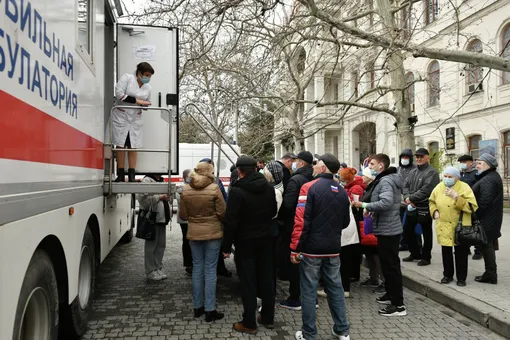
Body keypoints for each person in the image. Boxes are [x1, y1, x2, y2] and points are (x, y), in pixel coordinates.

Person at [291, 153, 351, 340]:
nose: (314, 166)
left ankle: (309, 333)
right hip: (333, 247)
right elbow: (345, 221)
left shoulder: (308, 187)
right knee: (335, 288)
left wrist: (295, 247)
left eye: (317, 164)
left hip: (311, 249)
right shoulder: (341, 190)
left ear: (323, 167)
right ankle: (342, 330)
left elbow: (301, 221)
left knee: (308, 291)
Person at [222, 156, 277, 334]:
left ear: (240, 171)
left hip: (245, 241)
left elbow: (231, 220)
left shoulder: (237, 191)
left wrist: (226, 246)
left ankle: (249, 323)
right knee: (267, 279)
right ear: (256, 168)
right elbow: (273, 211)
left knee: (248, 282)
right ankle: (268, 317)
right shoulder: (269, 188)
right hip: (266, 240)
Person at [353, 153, 406, 316]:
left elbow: (386, 202)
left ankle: (398, 305)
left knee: (391, 267)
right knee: (387, 265)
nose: (369, 167)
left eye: (372, 164)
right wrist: (371, 210)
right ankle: (391, 294)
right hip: (385, 228)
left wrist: (365, 204)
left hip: (389, 230)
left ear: (381, 166)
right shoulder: (384, 180)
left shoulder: (386, 181)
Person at [179, 162, 226, 322]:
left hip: (194, 232)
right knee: (210, 270)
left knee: (197, 268)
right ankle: (210, 309)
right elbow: (222, 212)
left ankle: (197, 307)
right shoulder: (214, 188)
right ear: (210, 172)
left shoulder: (185, 189)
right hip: (213, 233)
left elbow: (183, 215)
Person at [429, 167, 477, 287]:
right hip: (443, 224)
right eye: (445, 176)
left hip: (459, 226)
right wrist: (434, 211)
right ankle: (447, 275)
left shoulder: (464, 187)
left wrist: (456, 197)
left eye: (450, 177)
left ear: (456, 178)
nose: (447, 179)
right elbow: (431, 201)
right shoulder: (439, 187)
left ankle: (461, 278)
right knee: (446, 251)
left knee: (461, 252)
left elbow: (472, 207)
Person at [279, 151, 314, 311]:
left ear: (301, 163)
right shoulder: (313, 179)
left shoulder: (295, 180)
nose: (294, 163)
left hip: (294, 226)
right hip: (310, 226)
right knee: (309, 263)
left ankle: (295, 298)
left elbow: (288, 205)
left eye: (296, 160)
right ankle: (310, 298)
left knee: (296, 262)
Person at [112, 62, 154, 182]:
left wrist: (146, 105)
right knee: (120, 145)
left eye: (150, 76)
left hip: (135, 119)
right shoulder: (127, 78)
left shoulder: (148, 87)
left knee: (133, 146)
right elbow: (119, 94)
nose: (148, 78)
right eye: (146, 75)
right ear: (139, 73)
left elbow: (146, 103)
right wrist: (137, 101)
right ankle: (120, 174)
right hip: (122, 117)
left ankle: (131, 175)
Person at [402, 148, 440, 266]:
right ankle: (415, 253)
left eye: (421, 157)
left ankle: (426, 256)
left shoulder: (432, 173)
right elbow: (405, 186)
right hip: (411, 206)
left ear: (427, 157)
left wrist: (411, 198)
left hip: (425, 206)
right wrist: (408, 198)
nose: (418, 159)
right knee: (407, 231)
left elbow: (427, 189)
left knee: (426, 232)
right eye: (417, 157)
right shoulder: (412, 172)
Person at [472, 153, 504, 285]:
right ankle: (490, 273)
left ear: (488, 165)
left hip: (487, 219)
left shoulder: (489, 179)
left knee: (487, 245)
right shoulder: (489, 176)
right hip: (491, 218)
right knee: (488, 245)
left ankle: (491, 274)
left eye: (479, 163)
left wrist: (475, 215)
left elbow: (485, 201)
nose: (477, 165)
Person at [199, 158, 232, 278]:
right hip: (213, 222)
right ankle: (217, 271)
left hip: (198, 226)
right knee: (214, 250)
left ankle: (204, 274)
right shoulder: (216, 182)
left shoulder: (191, 183)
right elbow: (223, 201)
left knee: (201, 255)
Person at [137, 174, 171, 281]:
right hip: (152, 219)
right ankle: (150, 271)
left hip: (162, 218)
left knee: (161, 245)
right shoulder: (146, 180)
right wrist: (160, 197)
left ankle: (157, 268)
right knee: (151, 246)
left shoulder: (161, 180)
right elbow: (143, 200)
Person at [339, 167, 366, 289]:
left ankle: (354, 274)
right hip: (352, 219)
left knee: (354, 249)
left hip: (355, 219)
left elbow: (356, 204)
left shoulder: (355, 188)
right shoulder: (351, 186)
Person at [359, 167, 384, 294]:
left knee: (376, 254)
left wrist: (363, 205)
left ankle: (382, 281)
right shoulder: (368, 187)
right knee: (369, 253)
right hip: (367, 223)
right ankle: (373, 278)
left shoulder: (375, 187)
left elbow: (376, 203)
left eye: (364, 175)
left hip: (373, 223)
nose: (362, 177)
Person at [457, 154, 482, 260]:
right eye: (460, 163)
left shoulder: (476, 174)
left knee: (476, 227)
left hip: (473, 204)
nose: (462, 164)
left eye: (464, 162)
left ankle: (478, 250)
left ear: (470, 163)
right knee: (464, 226)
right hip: (462, 204)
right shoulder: (460, 174)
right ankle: (466, 247)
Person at [397, 148, 416, 251]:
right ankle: (403, 242)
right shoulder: (398, 169)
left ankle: (415, 245)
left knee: (411, 224)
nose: (404, 159)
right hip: (400, 201)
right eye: (403, 157)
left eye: (406, 157)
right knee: (401, 223)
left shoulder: (414, 169)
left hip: (410, 199)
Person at [176, 169, 193, 276]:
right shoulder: (180, 189)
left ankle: (193, 263)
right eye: (188, 177)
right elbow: (181, 202)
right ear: (184, 178)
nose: (190, 178)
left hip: (193, 220)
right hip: (184, 221)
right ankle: (188, 264)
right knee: (187, 242)